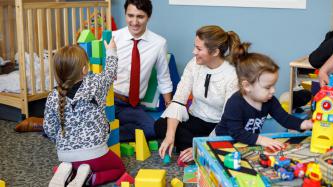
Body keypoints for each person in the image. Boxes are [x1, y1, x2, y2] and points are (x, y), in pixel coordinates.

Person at [154, 25, 242, 163]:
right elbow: (178, 101)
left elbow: (228, 120)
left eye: (199, 49)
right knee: (161, 126)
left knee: (231, 139)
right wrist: (170, 136)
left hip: (218, 125)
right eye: (195, 46)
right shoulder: (193, 64)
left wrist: (200, 147)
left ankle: (198, 148)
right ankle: (199, 149)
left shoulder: (232, 75)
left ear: (215, 52)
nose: (194, 51)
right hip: (195, 119)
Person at [43, 40, 125, 187]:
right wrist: (111, 51)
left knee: (73, 161)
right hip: (95, 152)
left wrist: (62, 142)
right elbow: (111, 73)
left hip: (65, 154)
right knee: (118, 168)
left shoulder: (53, 95)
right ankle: (90, 178)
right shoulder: (96, 84)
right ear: (85, 69)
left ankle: (66, 170)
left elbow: (49, 128)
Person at [213, 43, 313, 151]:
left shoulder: (270, 100)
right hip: (221, 141)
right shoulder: (235, 103)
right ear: (247, 86)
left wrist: (306, 124)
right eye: (268, 87)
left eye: (273, 85)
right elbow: (236, 132)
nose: (273, 90)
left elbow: (285, 119)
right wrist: (261, 140)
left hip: (245, 143)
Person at [112, 0, 173, 142]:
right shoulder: (114, 37)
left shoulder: (159, 43)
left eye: (140, 16)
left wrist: (170, 108)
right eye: (130, 15)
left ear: (148, 16)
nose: (134, 22)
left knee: (153, 129)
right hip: (109, 100)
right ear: (125, 14)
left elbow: (163, 78)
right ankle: (106, 131)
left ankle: (108, 134)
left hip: (131, 106)